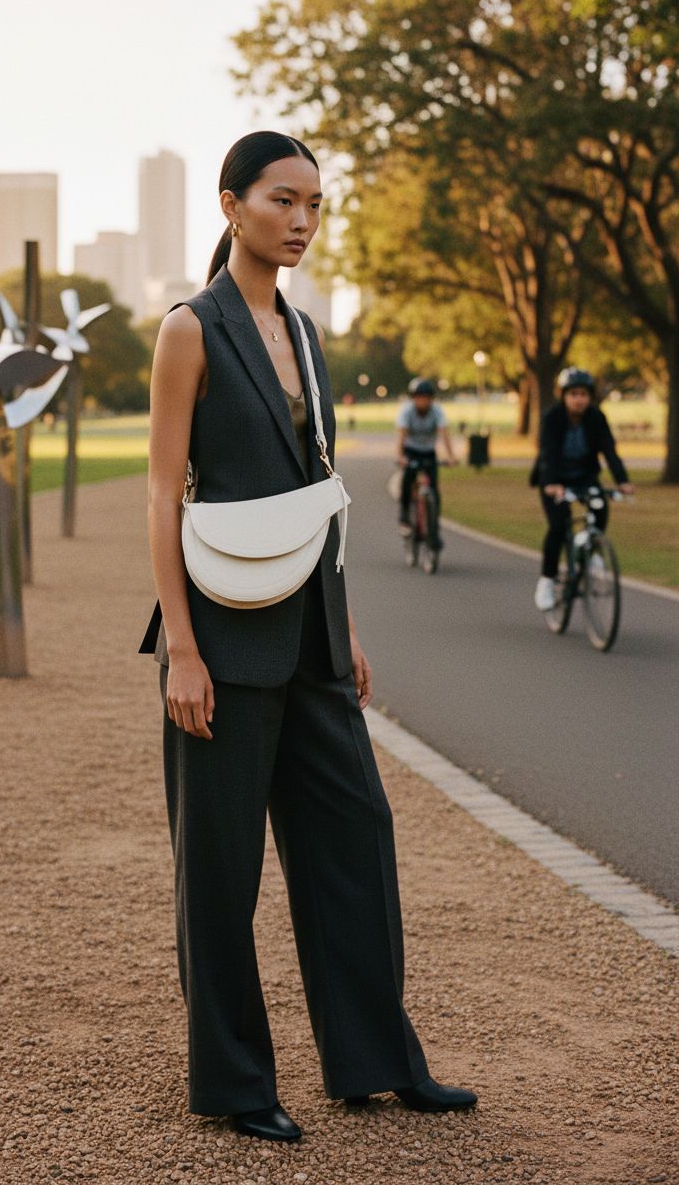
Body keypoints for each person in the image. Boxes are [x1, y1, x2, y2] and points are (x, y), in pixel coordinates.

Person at [139, 131, 476, 1143]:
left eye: (314, 205)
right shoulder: (188, 331)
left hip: (315, 638)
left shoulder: (307, 333)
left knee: (356, 843)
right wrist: (184, 651)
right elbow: (163, 492)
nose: (299, 220)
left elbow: (315, 494)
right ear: (231, 204)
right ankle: (236, 1084)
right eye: (282, 199)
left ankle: (374, 1062)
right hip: (223, 646)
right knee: (222, 868)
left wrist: (350, 620)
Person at [531, 368, 634, 611]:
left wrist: (623, 481)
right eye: (573, 394)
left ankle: (593, 551)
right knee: (558, 525)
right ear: (564, 396)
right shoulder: (553, 417)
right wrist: (552, 484)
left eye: (584, 394)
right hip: (554, 478)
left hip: (585, 476)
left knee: (600, 507)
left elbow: (609, 451)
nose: (579, 399)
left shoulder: (596, 418)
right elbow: (548, 453)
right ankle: (547, 580)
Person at [395, 378, 457, 537]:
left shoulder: (437, 411)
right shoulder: (407, 411)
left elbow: (444, 434)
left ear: (431, 399)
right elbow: (401, 437)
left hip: (429, 451)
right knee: (407, 480)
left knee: (434, 489)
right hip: (411, 450)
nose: (423, 401)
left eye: (426, 397)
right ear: (413, 398)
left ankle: (434, 523)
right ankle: (405, 517)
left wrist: (451, 456)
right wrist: (400, 456)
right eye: (419, 397)